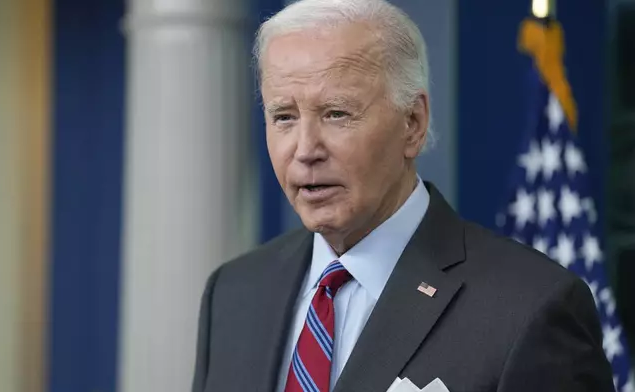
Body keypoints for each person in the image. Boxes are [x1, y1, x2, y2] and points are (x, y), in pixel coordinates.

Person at [191, 0, 615, 391]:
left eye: (336, 113)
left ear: (412, 123)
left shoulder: (531, 308)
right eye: (283, 117)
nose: (305, 151)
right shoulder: (233, 292)